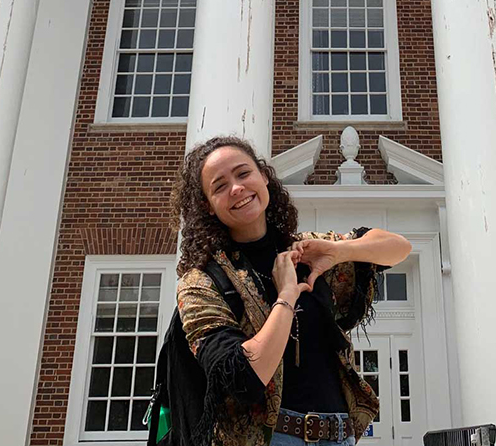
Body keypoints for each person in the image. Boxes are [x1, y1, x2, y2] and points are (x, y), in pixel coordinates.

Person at [170, 136, 412, 446]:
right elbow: (245, 379)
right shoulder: (202, 283)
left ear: (264, 176)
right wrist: (285, 297)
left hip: (338, 435)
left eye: (244, 174)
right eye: (219, 186)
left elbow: (399, 248)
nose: (237, 188)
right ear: (207, 206)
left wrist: (339, 252)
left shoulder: (306, 250)